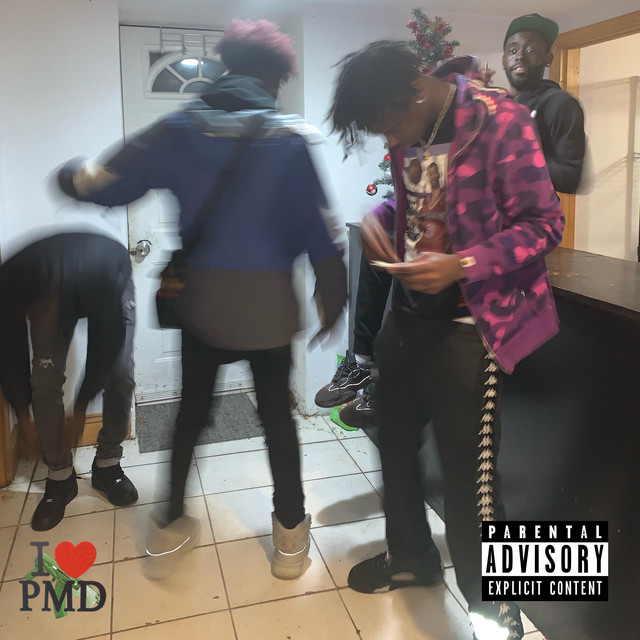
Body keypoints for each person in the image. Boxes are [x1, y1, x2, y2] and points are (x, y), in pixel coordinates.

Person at [56, 19, 347, 580]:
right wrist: (331, 296)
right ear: (277, 78)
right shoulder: (289, 140)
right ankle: (290, 541)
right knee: (277, 421)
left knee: (190, 415)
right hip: (268, 307)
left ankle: (169, 523)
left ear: (227, 65)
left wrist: (72, 180)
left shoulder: (179, 128)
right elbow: (319, 231)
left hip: (203, 303)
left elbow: (111, 183)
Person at [329, 40, 565, 640]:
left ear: (412, 93)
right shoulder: (408, 128)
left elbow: (545, 224)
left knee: (471, 484)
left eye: (388, 125)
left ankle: (496, 615)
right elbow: (418, 205)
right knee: (394, 449)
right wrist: (379, 217)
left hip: (472, 327)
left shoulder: (500, 120)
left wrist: (462, 264)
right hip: (407, 318)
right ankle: (411, 559)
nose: (389, 139)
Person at [0, 232, 139, 531]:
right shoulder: (10, 280)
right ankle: (60, 477)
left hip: (106, 275)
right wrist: (22, 415)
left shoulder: (100, 275)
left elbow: (106, 342)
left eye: (43, 312)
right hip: (56, 283)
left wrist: (81, 407)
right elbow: (9, 351)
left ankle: (107, 464)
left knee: (120, 373)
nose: (37, 321)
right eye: (32, 315)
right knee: (44, 381)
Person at [503, 13, 586, 193]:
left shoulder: (561, 104)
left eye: (531, 50)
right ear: (504, 60)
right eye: (513, 51)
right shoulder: (500, 105)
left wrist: (520, 155)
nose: (520, 56)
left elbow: (570, 179)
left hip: (533, 210)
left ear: (548, 59)